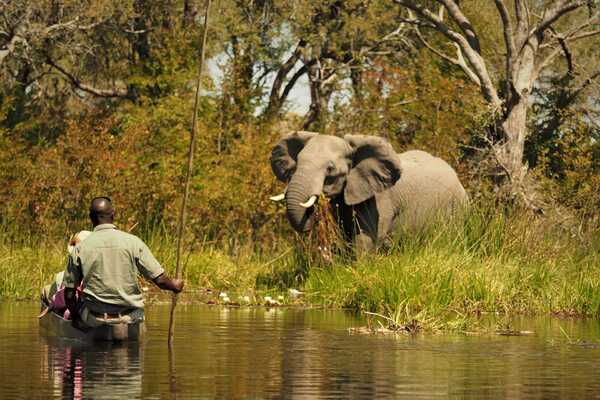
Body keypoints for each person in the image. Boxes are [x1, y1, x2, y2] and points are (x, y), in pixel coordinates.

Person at [63, 196, 183, 328]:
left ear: (91, 217)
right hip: (130, 318)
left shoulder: (80, 248)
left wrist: (75, 317)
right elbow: (160, 280)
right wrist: (174, 285)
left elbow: (69, 294)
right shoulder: (133, 242)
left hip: (95, 319)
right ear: (113, 215)